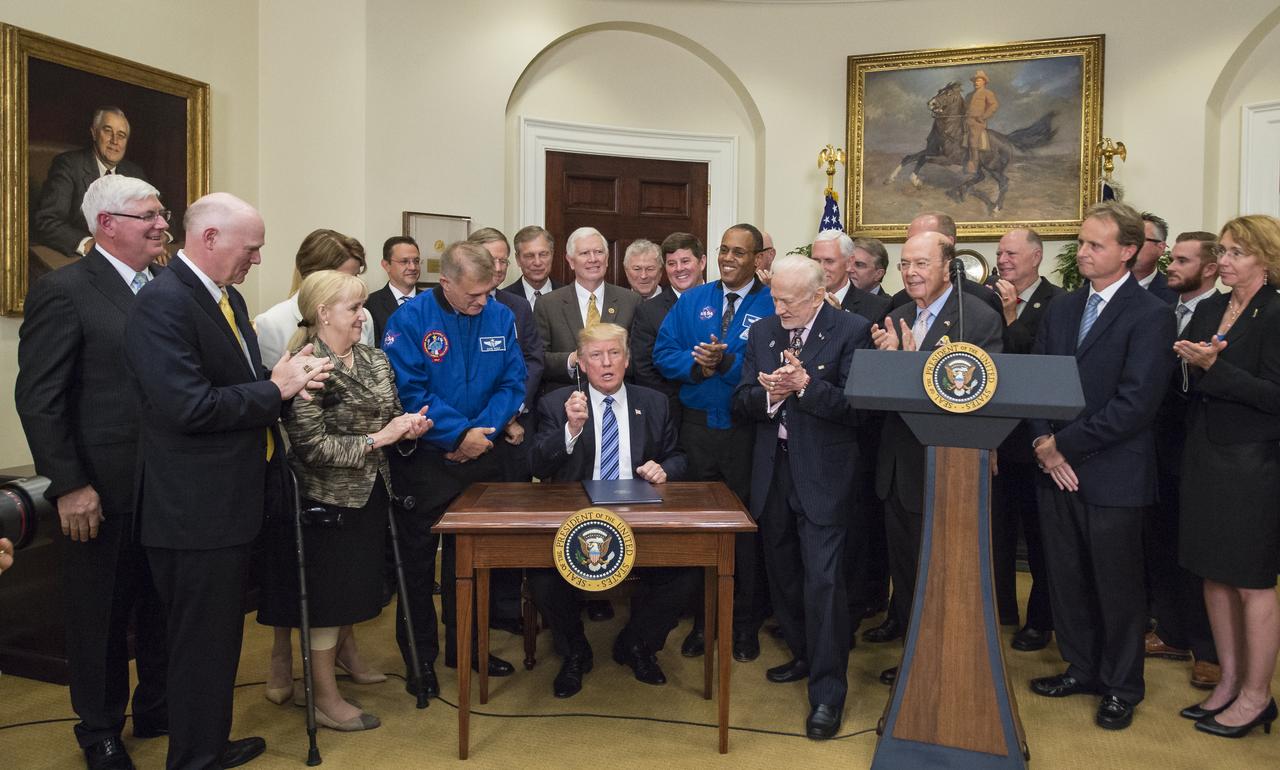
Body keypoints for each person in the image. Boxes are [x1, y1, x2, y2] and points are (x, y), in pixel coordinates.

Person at [124, 192, 331, 769]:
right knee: (197, 645)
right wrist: (275, 389)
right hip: (193, 512)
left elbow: (236, 384)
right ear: (210, 238)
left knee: (216, 643)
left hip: (230, 502)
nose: (259, 260)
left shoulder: (226, 299)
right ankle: (194, 759)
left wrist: (284, 379)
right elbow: (188, 407)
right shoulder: (164, 305)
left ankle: (208, 744)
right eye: (252, 248)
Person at [16, 174, 169, 770]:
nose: (162, 224)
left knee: (162, 607)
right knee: (100, 617)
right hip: (99, 491)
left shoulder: (165, 288)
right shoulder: (65, 290)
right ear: (108, 224)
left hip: (168, 487)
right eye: (149, 215)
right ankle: (101, 730)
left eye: (162, 213)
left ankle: (158, 709)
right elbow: (39, 397)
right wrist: (70, 485)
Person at [256, 270, 429, 732]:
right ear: (323, 313)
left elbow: (392, 414)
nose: (362, 315)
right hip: (324, 501)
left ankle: (327, 683)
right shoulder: (305, 365)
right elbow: (312, 446)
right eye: (353, 308)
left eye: (361, 306)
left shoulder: (373, 359)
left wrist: (408, 428)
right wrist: (379, 439)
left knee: (352, 596)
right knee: (328, 605)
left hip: (373, 494)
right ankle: (322, 698)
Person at [1028, 201, 1176, 732]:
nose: (1083, 253)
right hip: (1056, 469)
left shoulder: (1151, 314)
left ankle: (1120, 686)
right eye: (1082, 243)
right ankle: (1082, 666)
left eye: (1095, 245)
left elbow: (1136, 405)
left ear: (1128, 251)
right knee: (1066, 577)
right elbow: (1037, 382)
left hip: (1113, 473)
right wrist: (1043, 438)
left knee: (1117, 587)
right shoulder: (1064, 307)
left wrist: (1061, 445)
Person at [735, 254, 871, 739]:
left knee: (825, 582)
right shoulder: (763, 331)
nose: (778, 307)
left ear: (818, 296)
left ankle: (828, 693)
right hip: (773, 475)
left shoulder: (852, 329)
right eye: (774, 297)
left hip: (825, 478)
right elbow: (742, 399)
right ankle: (805, 655)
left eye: (788, 301)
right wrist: (770, 394)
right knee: (785, 576)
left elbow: (859, 408)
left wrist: (807, 386)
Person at [382, 241, 526, 693]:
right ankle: (420, 662)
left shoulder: (500, 316)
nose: (483, 301)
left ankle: (469, 648)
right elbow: (409, 388)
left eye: (489, 291)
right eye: (474, 294)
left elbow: (512, 380)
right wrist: (456, 434)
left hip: (482, 457)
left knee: (474, 561)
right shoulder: (409, 320)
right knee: (420, 566)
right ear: (445, 282)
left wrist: (480, 432)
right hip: (426, 461)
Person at [527, 323, 693, 698]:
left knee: (684, 571)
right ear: (582, 364)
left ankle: (637, 645)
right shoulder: (558, 404)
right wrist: (570, 430)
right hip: (577, 521)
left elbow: (678, 456)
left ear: (627, 359)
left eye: (614, 353)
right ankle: (574, 653)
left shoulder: (653, 402)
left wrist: (665, 469)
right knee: (542, 575)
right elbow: (537, 465)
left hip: (640, 518)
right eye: (596, 356)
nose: (606, 363)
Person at [254, 228, 382, 707]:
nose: (356, 300)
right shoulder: (272, 323)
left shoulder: (358, 319)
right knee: (297, 573)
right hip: (298, 466)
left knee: (340, 578)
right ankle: (282, 656)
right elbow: (280, 400)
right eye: (343, 279)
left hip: (356, 465)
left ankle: (342, 648)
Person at [869, 231, 1003, 684]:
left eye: (921, 263)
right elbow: (877, 394)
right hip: (898, 465)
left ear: (949, 267)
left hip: (948, 466)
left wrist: (909, 366)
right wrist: (887, 363)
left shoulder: (976, 318)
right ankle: (913, 659)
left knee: (946, 571)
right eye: (905, 263)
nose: (910, 272)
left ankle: (947, 661)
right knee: (905, 568)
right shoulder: (899, 314)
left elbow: (978, 397)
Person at [1174, 215, 1280, 738]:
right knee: (1213, 575)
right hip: (1205, 455)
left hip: (1253, 463)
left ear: (1265, 257)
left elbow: (1275, 395)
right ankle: (1230, 681)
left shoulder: (1277, 311)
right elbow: (1193, 377)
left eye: (1237, 252)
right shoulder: (1213, 306)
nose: (1225, 261)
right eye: (1224, 251)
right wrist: (1189, 365)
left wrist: (1217, 369)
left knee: (1252, 582)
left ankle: (1259, 695)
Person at [653, 223, 774, 662]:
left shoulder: (772, 303)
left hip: (746, 432)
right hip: (698, 430)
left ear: (758, 259)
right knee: (699, 527)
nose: (728, 258)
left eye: (739, 252)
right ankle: (703, 622)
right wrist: (697, 363)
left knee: (745, 529)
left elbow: (771, 362)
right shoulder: (693, 299)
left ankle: (744, 625)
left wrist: (726, 363)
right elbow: (663, 354)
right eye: (723, 250)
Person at [1147, 231, 1222, 688]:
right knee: (1162, 544)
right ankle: (1171, 631)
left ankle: (1209, 649)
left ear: (1209, 269)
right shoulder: (1161, 310)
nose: (1170, 265)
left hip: (1200, 448)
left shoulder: (1220, 313)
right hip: (1155, 447)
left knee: (1199, 554)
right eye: (1171, 256)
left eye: (1181, 260)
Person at [810, 229, 890, 636]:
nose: (821, 269)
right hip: (807, 440)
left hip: (855, 439)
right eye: (816, 261)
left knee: (856, 532)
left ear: (848, 263)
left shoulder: (876, 308)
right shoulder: (800, 303)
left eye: (829, 262)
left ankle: (852, 610)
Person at [990, 228, 1065, 650]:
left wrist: (1011, 318)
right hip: (994, 437)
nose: (1003, 259)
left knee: (1039, 539)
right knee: (995, 534)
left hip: (1035, 439)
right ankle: (999, 610)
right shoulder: (985, 299)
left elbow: (1035, 364)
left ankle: (1040, 620)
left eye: (1012, 253)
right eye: (1000, 252)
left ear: (1036, 257)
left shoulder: (1057, 302)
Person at [468, 226, 545, 632]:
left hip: (515, 433)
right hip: (470, 436)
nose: (497, 268)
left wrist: (512, 414)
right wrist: (493, 422)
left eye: (502, 260)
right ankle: (474, 615)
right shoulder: (455, 308)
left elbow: (532, 361)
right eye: (489, 260)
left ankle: (506, 609)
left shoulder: (517, 306)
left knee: (513, 523)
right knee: (478, 528)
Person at [534, 226, 642, 396]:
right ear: (570, 261)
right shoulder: (548, 304)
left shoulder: (630, 301)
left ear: (607, 259)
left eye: (598, 252)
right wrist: (571, 360)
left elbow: (639, 357)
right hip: (565, 400)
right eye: (584, 253)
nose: (593, 259)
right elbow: (537, 359)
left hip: (617, 400)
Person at [33, 107, 147, 259]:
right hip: (81, 259)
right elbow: (47, 221)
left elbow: (164, 217)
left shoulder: (135, 173)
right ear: (94, 133)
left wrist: (159, 238)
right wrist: (87, 243)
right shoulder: (68, 165)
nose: (115, 141)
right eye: (108, 131)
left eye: (121, 135)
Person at [254, 229, 375, 367]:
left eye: (355, 276)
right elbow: (271, 384)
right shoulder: (272, 324)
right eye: (343, 278)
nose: (354, 284)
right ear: (313, 276)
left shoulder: (364, 318)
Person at [630, 231, 708, 425]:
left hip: (720, 414)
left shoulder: (722, 301)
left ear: (702, 262)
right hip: (671, 415)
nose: (679, 269)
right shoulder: (648, 311)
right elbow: (644, 369)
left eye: (685, 261)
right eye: (672, 264)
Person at [888, 212, 1004, 317]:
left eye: (923, 238)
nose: (914, 245)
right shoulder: (899, 302)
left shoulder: (982, 300)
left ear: (948, 242)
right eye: (910, 240)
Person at [367, 235, 425, 341]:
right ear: (386, 265)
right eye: (404, 261)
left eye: (416, 261)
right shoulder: (370, 304)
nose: (412, 267)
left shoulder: (432, 302)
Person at [501, 225, 563, 309]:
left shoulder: (570, 297)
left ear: (552, 255)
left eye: (543, 254)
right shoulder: (502, 300)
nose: (537, 262)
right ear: (518, 259)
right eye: (529, 256)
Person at [1133, 212, 1179, 303]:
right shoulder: (1104, 285)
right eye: (1126, 239)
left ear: (1161, 247)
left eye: (1139, 239)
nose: (1130, 245)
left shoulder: (1176, 293)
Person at [965, 70, 998, 173]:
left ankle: (973, 165)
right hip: (966, 120)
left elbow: (994, 105)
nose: (976, 83)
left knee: (972, 139)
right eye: (975, 81)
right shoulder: (969, 95)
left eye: (978, 80)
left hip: (977, 122)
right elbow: (965, 108)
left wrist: (983, 117)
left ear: (984, 82)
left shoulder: (987, 93)